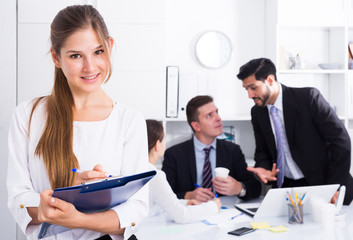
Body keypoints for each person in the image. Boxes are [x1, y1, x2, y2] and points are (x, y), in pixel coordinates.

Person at [7, 5, 149, 240]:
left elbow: (136, 208)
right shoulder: (28, 115)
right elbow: (17, 197)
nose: (90, 67)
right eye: (75, 55)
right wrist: (55, 201)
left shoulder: (129, 121)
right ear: (56, 57)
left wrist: (80, 217)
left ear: (110, 47)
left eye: (98, 51)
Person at [236, 57, 353, 205]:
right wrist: (263, 168)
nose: (250, 95)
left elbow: (341, 141)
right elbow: (262, 150)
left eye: (253, 88)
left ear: (270, 80)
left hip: (324, 184)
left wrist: (335, 186)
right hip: (287, 188)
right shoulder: (258, 112)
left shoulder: (308, 98)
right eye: (246, 89)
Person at [162, 95, 261, 203]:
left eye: (217, 112)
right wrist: (188, 195)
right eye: (209, 115)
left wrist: (239, 188)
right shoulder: (174, 155)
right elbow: (163, 194)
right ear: (196, 126)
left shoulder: (232, 151)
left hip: (224, 212)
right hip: (190, 213)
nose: (218, 118)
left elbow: (256, 188)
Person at [145, 119, 221, 223]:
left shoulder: (138, 169)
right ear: (157, 145)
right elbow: (181, 216)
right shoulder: (153, 175)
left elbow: (156, 203)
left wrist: (184, 203)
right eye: (164, 140)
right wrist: (213, 206)